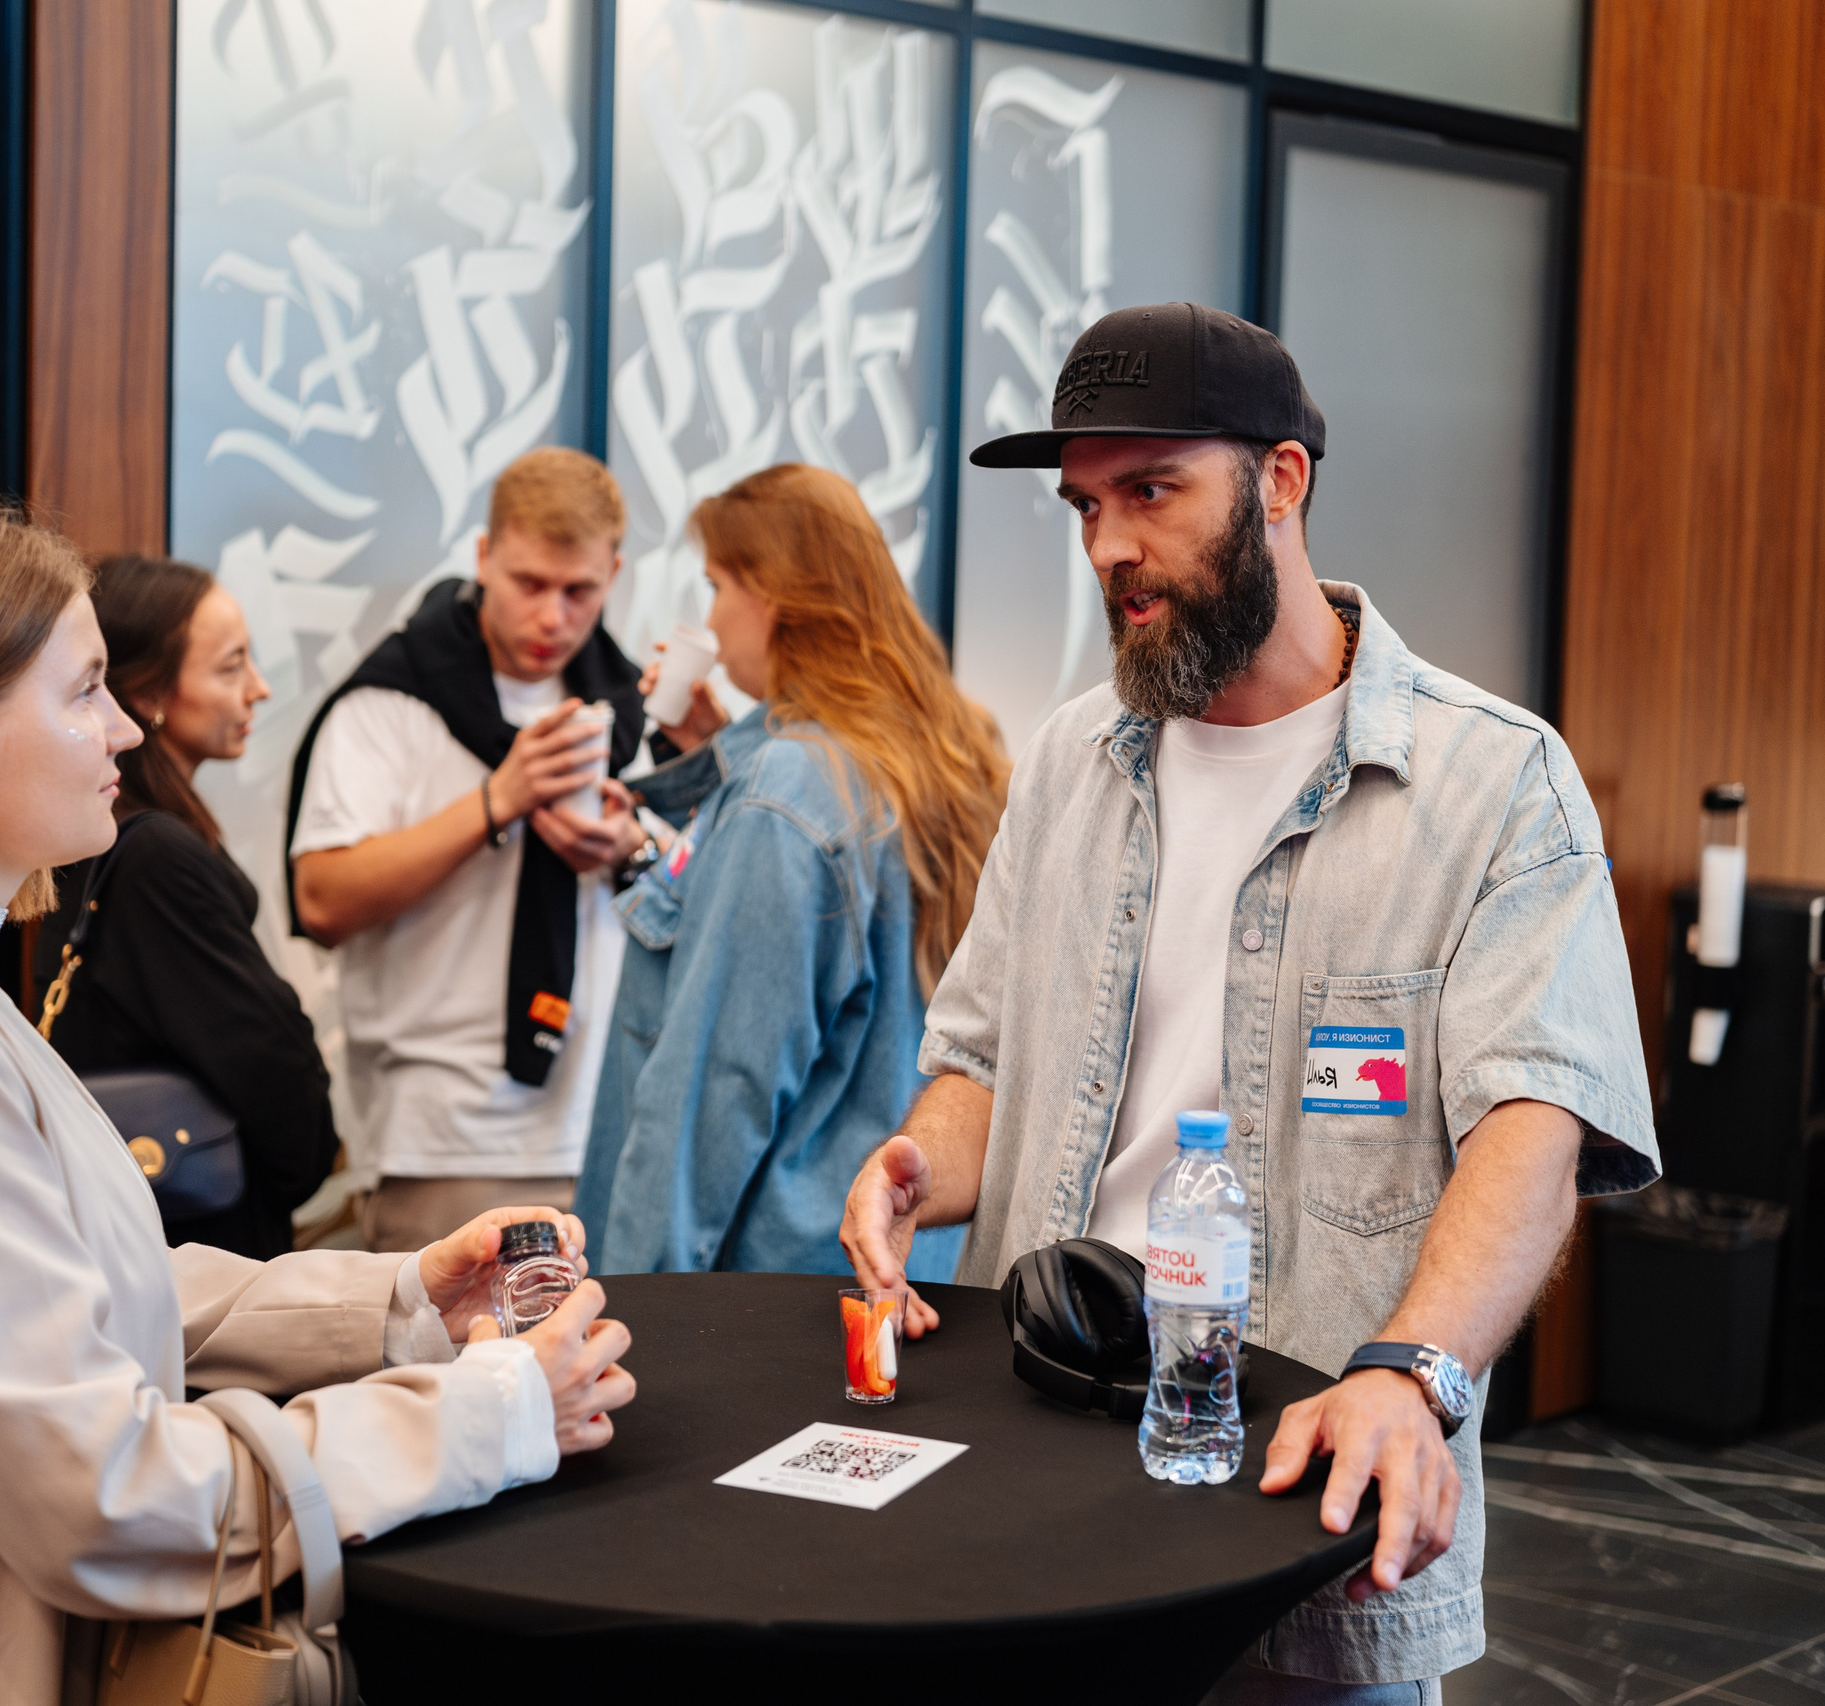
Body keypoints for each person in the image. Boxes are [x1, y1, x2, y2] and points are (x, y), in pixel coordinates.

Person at [838, 304, 1658, 1703]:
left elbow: (1538, 1126)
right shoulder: (1068, 763)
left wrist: (1414, 1373)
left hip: (1300, 1502)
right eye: (1086, 504)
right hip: (1028, 1477)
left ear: (1280, 482)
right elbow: (980, 1052)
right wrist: (926, 1156)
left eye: (1151, 491)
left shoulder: (1490, 784)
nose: (1107, 546)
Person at [0, 504, 634, 1706]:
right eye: (85, 690)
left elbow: (91, 1280)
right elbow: (104, 1491)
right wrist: (490, 1412)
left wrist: (401, 1301)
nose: (126, 727)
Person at [575, 465, 1008, 1276]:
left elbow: (711, 1098)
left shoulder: (789, 792)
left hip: (771, 1293)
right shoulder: (947, 753)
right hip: (909, 1264)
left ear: (769, 596)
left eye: (715, 586)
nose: (709, 618)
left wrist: (632, 1312)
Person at [287, 448, 655, 1253]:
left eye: (579, 591)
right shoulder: (390, 700)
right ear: (484, 558)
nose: (552, 617)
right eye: (528, 584)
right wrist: (496, 802)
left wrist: (632, 847)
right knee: (447, 1381)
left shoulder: (628, 711)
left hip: (606, 1128)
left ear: (614, 575)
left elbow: (696, 901)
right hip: (442, 1141)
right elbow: (322, 900)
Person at [38, 553, 337, 1259]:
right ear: (146, 693)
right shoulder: (155, 858)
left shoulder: (113, 836)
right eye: (230, 667)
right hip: (199, 1242)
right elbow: (267, 1064)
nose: (258, 689)